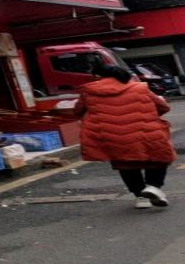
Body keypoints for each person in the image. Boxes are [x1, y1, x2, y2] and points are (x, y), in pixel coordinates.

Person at [74, 63, 176, 209]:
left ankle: (140, 197)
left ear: (98, 76)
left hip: (111, 135)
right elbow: (163, 107)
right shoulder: (140, 87)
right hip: (146, 131)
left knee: (126, 164)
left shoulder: (88, 91)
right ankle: (153, 186)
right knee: (159, 158)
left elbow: (78, 111)